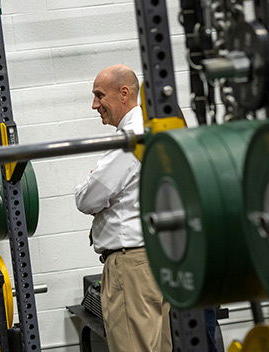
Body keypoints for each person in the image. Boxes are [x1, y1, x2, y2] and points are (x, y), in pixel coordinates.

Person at [75, 65, 173, 352]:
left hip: (131, 267)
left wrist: (91, 181)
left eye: (99, 95)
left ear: (124, 93)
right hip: (157, 259)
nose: (95, 105)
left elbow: (88, 199)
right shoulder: (155, 129)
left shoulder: (128, 139)